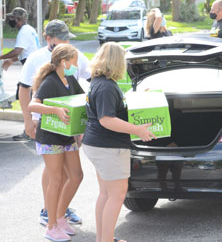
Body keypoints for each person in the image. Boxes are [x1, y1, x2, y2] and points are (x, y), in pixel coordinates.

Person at [82, 42, 155, 242]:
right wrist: (137, 130)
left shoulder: (99, 82)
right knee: (116, 194)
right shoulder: (106, 86)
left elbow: (113, 108)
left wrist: (139, 96)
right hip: (108, 147)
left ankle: (104, 238)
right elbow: (107, 119)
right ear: (116, 61)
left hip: (98, 144)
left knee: (106, 194)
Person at [19, 19, 88, 227]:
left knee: (70, 174)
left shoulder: (71, 66)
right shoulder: (38, 63)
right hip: (47, 127)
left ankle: (60, 212)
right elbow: (26, 93)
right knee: (54, 174)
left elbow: (84, 94)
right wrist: (28, 121)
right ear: (49, 39)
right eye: (61, 38)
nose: (66, 41)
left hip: (67, 129)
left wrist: (81, 126)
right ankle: (50, 215)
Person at [28, 44, 84, 241]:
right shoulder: (51, 81)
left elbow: (83, 98)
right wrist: (56, 111)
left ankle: (60, 218)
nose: (76, 65)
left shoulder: (69, 79)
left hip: (67, 135)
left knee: (76, 175)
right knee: (56, 179)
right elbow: (32, 104)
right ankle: (51, 226)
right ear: (64, 62)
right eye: (74, 61)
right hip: (50, 137)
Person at [0, 7, 40, 141]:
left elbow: (18, 51)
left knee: (26, 100)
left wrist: (1, 57)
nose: (10, 20)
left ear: (19, 19)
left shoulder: (23, 32)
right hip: (34, 67)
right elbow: (24, 52)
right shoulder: (29, 29)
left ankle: (29, 131)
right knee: (32, 100)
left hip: (32, 69)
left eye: (12, 18)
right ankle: (33, 130)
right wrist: (11, 60)